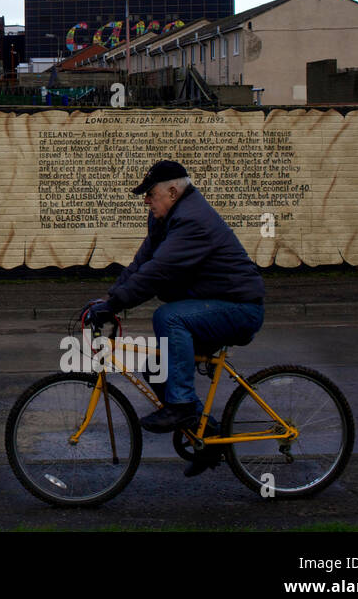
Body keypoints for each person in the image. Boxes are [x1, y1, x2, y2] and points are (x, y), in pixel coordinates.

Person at [82, 160, 265, 475]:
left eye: (150, 194)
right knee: (156, 369)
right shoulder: (167, 219)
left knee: (169, 317)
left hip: (239, 308)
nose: (146, 201)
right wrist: (111, 298)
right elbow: (143, 262)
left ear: (172, 190)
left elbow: (158, 272)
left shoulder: (192, 220)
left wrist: (115, 306)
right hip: (213, 303)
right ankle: (208, 439)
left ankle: (181, 406)